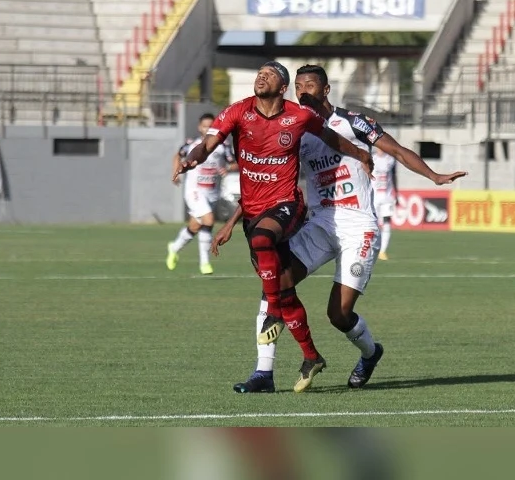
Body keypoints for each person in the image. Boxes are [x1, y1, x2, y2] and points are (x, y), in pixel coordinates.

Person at [216, 64, 466, 393]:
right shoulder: (296, 126)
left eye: (309, 85)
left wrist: (433, 176)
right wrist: (233, 221)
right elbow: (268, 183)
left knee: (339, 314)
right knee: (274, 281)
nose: (303, 92)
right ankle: (264, 373)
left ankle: (370, 352)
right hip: (320, 223)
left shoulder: (352, 123)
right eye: (298, 87)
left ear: (326, 90)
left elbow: (396, 150)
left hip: (358, 227)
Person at [175, 61, 372, 392]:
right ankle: (291, 364)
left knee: (264, 244)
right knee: (280, 286)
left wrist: (361, 155)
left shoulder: (299, 116)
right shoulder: (237, 112)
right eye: (259, 73)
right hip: (252, 211)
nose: (261, 77)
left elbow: (333, 139)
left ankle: (274, 316)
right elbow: (207, 145)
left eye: (269, 75)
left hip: (287, 205)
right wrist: (193, 159)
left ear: (282, 88)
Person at [168, 112, 237, 275]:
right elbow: (177, 155)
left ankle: (174, 247)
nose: (207, 129)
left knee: (195, 225)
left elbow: (235, 164)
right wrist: (175, 172)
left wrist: (227, 168)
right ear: (200, 127)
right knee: (209, 219)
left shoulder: (223, 146)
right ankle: (204, 263)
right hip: (194, 191)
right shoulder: (192, 144)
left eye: (210, 126)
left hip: (212, 192)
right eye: (205, 126)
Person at [371, 146, 398, 260]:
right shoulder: (371, 158)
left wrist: (397, 193)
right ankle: (372, 248)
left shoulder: (391, 159)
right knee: (373, 223)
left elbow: (394, 176)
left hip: (387, 196)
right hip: (374, 197)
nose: (380, 149)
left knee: (387, 222)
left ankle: (383, 251)